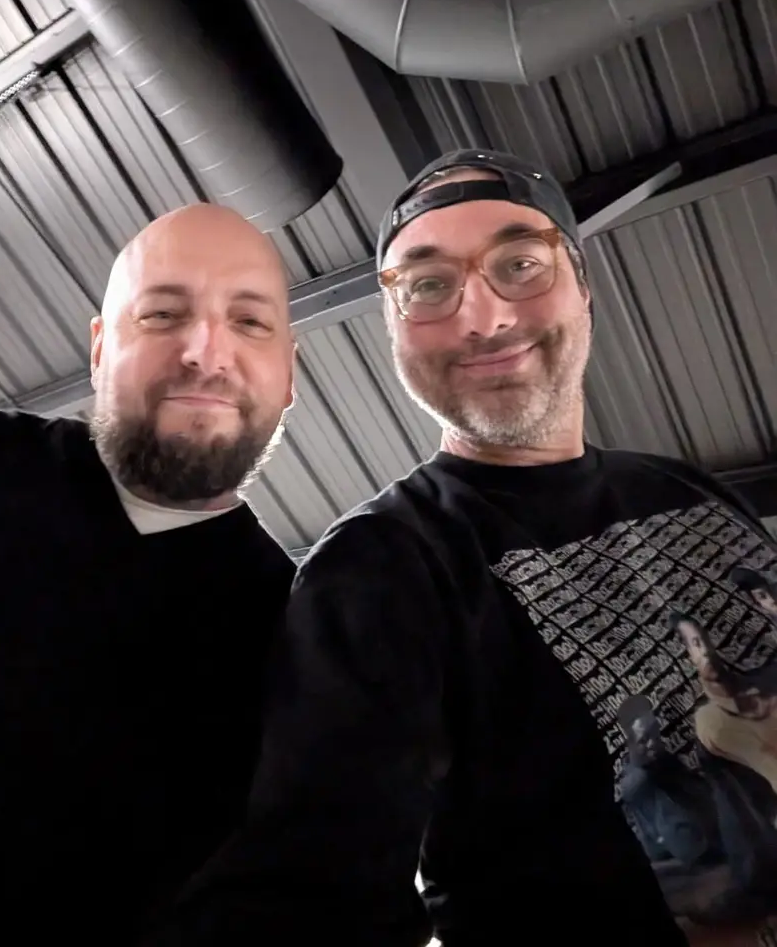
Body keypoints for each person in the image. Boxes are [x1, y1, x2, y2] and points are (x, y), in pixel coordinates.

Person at [151, 153, 777, 947]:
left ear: (582, 284)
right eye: (427, 285)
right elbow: (307, 893)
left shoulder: (688, 486)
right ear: (393, 326)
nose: (481, 318)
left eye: (519, 264)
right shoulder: (381, 565)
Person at [0, 204, 296, 947]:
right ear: (100, 349)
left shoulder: (300, 647)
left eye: (250, 322)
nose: (205, 351)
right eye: (162, 314)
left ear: (289, 373)